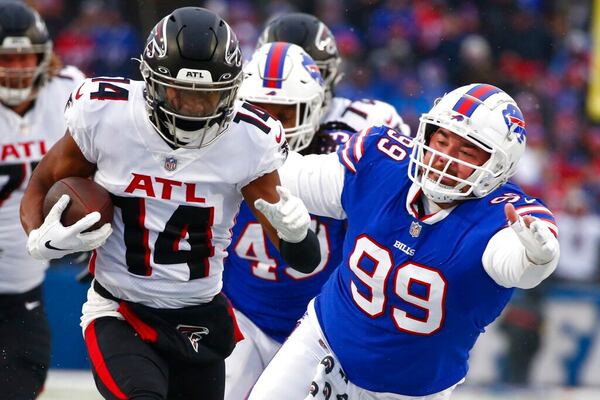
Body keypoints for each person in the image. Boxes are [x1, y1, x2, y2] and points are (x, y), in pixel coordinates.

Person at [19, 7, 320, 400]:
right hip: (121, 310)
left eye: (207, 97)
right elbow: (40, 184)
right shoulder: (106, 115)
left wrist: (298, 233)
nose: (193, 109)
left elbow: (303, 259)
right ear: (150, 82)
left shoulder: (250, 141)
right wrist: (37, 236)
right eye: (180, 93)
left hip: (200, 316)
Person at [249, 83, 560, 400]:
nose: (444, 158)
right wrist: (235, 146)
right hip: (322, 344)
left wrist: (536, 257)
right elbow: (291, 175)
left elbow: (517, 266)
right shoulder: (382, 164)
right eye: (440, 140)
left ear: (497, 167)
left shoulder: (504, 217)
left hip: (407, 392)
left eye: (465, 152)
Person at [223, 42, 349, 400]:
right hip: (241, 316)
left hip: (318, 327)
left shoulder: (339, 161)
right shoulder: (219, 149)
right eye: (261, 111)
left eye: (285, 113)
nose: (271, 125)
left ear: (312, 111)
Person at [0, 2, 85, 398]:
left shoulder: (68, 92)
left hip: (23, 293)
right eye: (6, 58)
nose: (16, 68)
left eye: (24, 57)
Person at [257, 12, 410, 137]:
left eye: (305, 75)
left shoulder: (367, 123)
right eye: (282, 73)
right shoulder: (242, 124)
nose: (291, 86)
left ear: (331, 73)